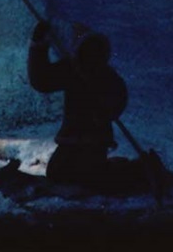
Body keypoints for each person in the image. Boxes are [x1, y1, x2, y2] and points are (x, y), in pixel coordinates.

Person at [27, 19, 132, 190]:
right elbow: (42, 80)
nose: (91, 56)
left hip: (94, 144)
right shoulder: (71, 69)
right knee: (57, 173)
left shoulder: (107, 76)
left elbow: (119, 99)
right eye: (87, 51)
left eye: (95, 51)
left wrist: (105, 112)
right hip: (69, 142)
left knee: (81, 177)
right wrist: (38, 45)